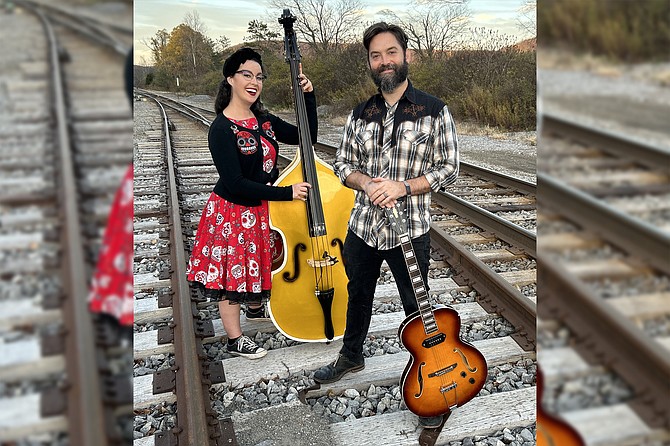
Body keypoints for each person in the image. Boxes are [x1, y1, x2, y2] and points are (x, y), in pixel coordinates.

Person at [312, 23, 459, 428]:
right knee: (357, 293)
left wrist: (402, 186)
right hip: (363, 227)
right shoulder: (361, 113)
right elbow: (343, 165)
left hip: (409, 230)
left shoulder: (434, 110)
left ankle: (431, 377)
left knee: (418, 308)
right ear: (370, 63)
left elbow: (450, 168)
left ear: (406, 55)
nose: (384, 62)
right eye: (376, 56)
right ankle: (351, 355)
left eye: (391, 53)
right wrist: (364, 182)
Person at [186, 47, 315, 359]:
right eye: (247, 74)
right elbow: (236, 184)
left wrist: (308, 97)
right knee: (231, 275)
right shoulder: (221, 128)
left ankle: (256, 309)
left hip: (257, 210)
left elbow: (306, 135)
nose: (254, 81)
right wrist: (287, 192)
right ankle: (234, 338)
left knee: (258, 260)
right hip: (231, 212)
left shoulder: (264, 120)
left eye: (259, 76)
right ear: (230, 78)